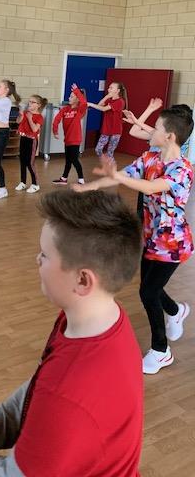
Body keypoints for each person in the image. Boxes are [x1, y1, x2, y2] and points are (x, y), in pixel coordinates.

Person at [0, 189, 143, 476]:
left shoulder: (68, 392)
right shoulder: (95, 318)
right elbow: (38, 390)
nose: (37, 259)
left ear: (83, 280)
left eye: (45, 255)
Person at [75, 107, 194, 374]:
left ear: (170, 136)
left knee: (148, 292)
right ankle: (176, 311)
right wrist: (86, 188)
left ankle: (161, 351)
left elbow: (152, 187)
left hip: (173, 243)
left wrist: (118, 177)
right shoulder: (149, 157)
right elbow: (124, 175)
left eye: (157, 128)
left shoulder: (182, 169)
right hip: (151, 237)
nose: (151, 131)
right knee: (150, 286)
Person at [52, 83, 87, 185]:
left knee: (74, 160)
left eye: (72, 97)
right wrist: (55, 131)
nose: (69, 98)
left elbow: (84, 103)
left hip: (75, 139)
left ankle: (81, 179)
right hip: (67, 139)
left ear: (77, 99)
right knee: (68, 160)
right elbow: (56, 119)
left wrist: (76, 91)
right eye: (70, 96)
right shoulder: (65, 109)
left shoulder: (79, 110)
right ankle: (64, 178)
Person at [15, 95, 47, 194]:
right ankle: (23, 182)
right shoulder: (26, 113)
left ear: (38, 105)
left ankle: (35, 184)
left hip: (31, 141)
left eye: (33, 102)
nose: (30, 103)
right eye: (29, 101)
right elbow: (18, 121)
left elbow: (34, 129)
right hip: (23, 139)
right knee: (22, 161)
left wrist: (30, 118)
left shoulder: (39, 117)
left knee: (30, 163)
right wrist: (21, 115)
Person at [88, 81, 127, 159]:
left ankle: (110, 165)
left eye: (111, 88)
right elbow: (99, 105)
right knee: (98, 149)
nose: (109, 89)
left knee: (110, 153)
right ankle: (106, 162)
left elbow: (103, 109)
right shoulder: (108, 100)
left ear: (118, 90)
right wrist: (106, 97)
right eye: (109, 87)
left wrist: (90, 104)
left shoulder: (120, 101)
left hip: (116, 131)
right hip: (106, 129)